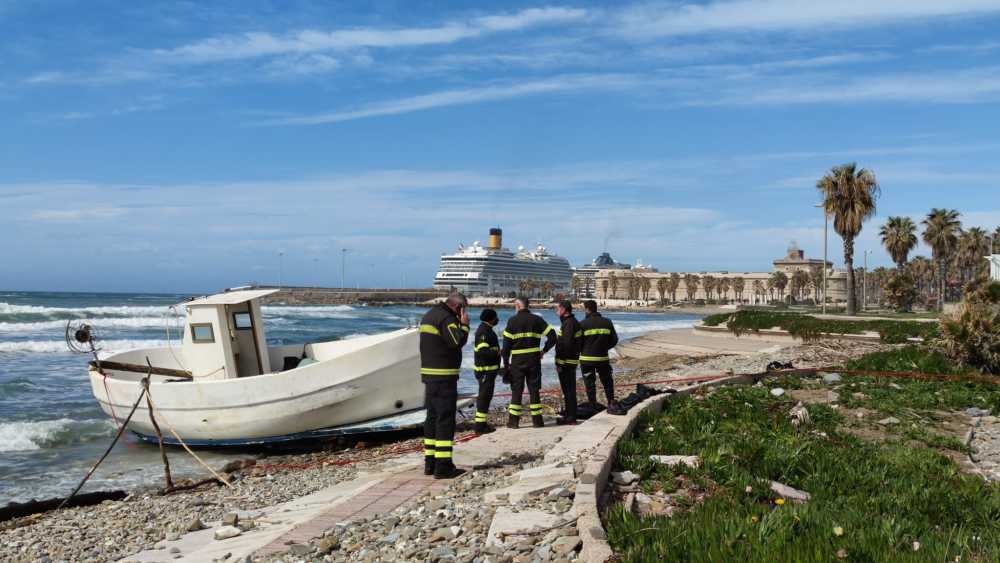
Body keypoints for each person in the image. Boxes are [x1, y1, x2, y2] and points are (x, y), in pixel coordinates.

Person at [418, 292, 469, 479]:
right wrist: (464, 326)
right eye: (463, 309)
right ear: (458, 307)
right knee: (445, 420)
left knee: (432, 418)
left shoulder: (430, 315)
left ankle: (430, 463)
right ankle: (443, 466)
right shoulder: (446, 318)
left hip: (430, 375)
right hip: (444, 376)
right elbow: (456, 341)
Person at [501, 296, 556, 428]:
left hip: (517, 361)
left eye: (515, 306)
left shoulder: (512, 321)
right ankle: (537, 421)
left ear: (518, 306)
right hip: (533, 360)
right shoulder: (537, 319)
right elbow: (553, 336)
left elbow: (506, 346)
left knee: (517, 391)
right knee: (534, 390)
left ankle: (513, 422)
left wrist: (506, 364)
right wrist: (544, 351)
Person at [579, 300, 619, 408]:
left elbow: (577, 342)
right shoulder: (607, 322)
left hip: (586, 360)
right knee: (607, 382)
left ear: (587, 309)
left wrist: (583, 350)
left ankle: (592, 405)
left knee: (590, 384)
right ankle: (611, 402)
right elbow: (614, 340)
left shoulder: (582, 324)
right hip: (602, 358)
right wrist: (604, 348)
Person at [472, 308, 501, 434]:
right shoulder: (483, 331)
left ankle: (482, 423)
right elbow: (483, 352)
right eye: (496, 317)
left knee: (486, 397)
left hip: (490, 371)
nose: (497, 320)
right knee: (483, 398)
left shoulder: (488, 330)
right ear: (491, 319)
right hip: (484, 372)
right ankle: (479, 427)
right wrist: (497, 352)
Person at [554, 300, 582, 425]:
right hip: (570, 361)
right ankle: (570, 415)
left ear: (564, 310)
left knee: (569, 391)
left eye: (558, 309)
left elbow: (566, 345)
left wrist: (560, 363)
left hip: (566, 363)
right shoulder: (570, 322)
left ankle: (571, 418)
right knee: (568, 390)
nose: (556, 312)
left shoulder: (569, 323)